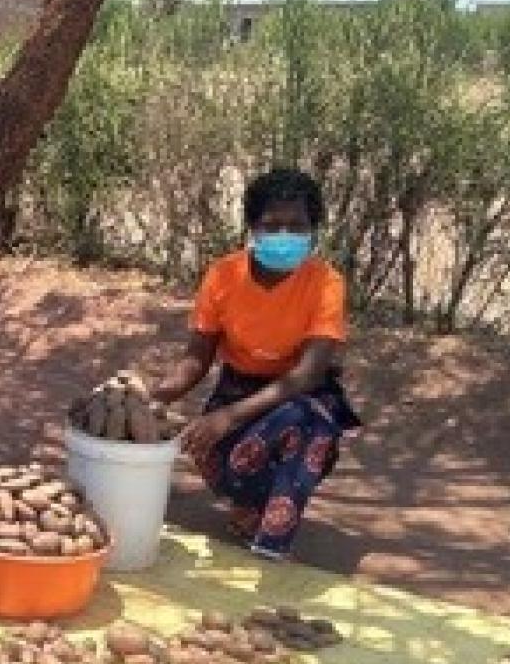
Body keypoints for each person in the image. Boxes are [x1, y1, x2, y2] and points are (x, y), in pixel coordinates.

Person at [150, 168, 360, 560]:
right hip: (239, 385)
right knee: (209, 447)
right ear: (252, 227)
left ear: (313, 229)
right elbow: (197, 357)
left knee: (306, 427)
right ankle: (254, 507)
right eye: (272, 225)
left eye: (296, 226)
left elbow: (307, 374)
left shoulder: (325, 283)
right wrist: (153, 397)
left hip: (303, 394)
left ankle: (272, 543)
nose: (284, 236)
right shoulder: (224, 275)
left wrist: (229, 417)